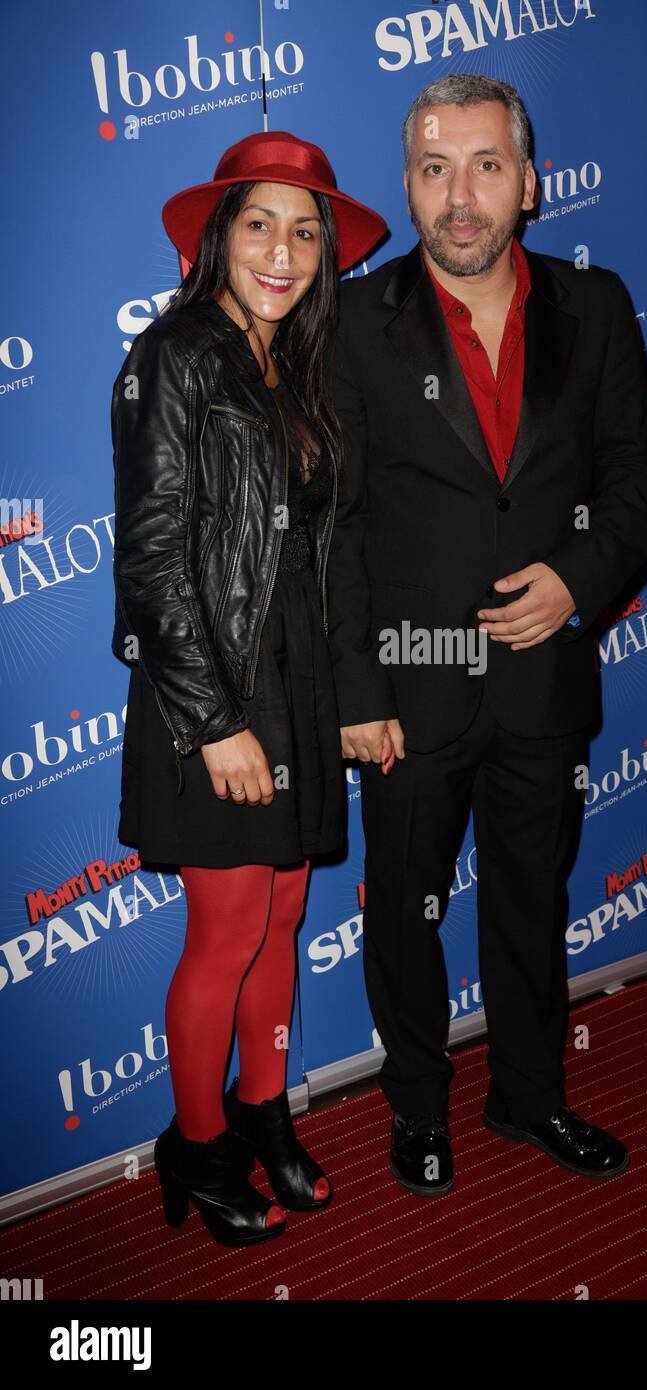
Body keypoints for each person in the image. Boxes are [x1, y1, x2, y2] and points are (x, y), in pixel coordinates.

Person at [326, 74, 647, 1196]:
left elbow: (638, 484)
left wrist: (574, 583)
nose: (458, 196)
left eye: (484, 166)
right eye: (433, 169)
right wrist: (355, 688)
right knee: (403, 911)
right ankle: (416, 1105)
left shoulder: (599, 305)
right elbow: (324, 532)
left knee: (533, 900)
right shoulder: (354, 324)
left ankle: (529, 1096)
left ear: (529, 182)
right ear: (407, 183)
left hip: (541, 686)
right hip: (406, 697)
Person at [111, 130, 386, 1245]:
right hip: (212, 692)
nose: (284, 249)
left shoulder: (300, 370)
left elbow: (335, 552)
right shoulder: (172, 356)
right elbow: (151, 557)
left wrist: (355, 692)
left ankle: (262, 1114)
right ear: (219, 235)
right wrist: (214, 719)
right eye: (260, 222)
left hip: (302, 683)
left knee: (282, 917)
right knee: (225, 934)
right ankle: (200, 1145)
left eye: (306, 229)